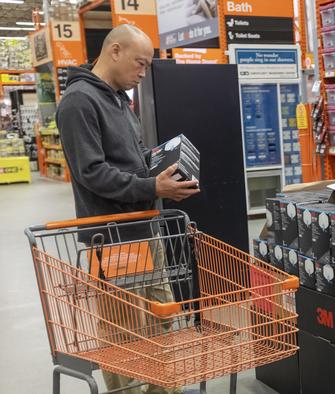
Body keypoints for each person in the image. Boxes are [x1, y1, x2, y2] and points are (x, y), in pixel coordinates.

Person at [56, 24, 198, 394]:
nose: (143, 72)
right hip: (112, 236)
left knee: (163, 315)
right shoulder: (79, 102)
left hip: (143, 227)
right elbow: (92, 173)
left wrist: (161, 164)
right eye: (140, 63)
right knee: (122, 329)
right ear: (114, 51)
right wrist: (152, 186)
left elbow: (128, 157)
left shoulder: (120, 98)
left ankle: (162, 389)